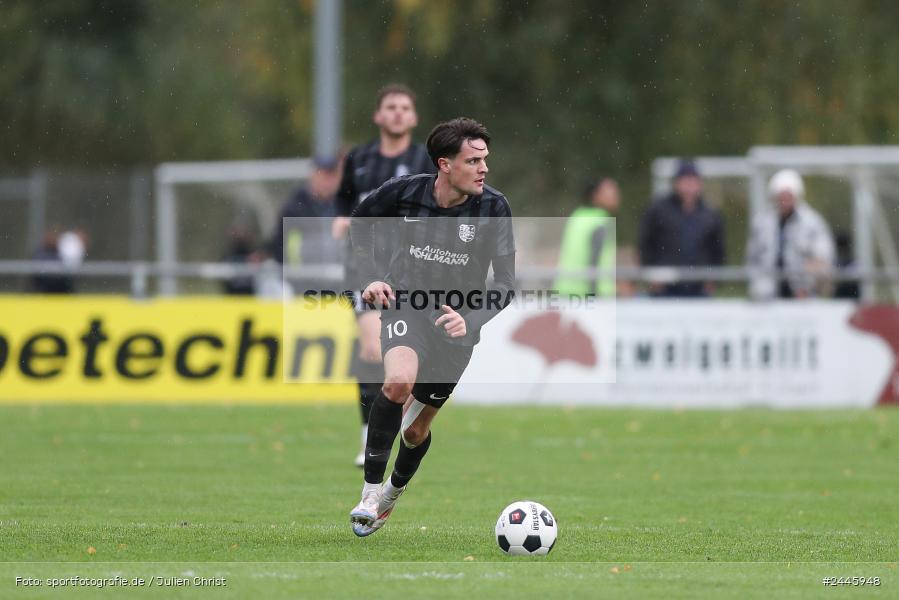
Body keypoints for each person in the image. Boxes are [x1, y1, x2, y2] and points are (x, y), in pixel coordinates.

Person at [347, 117, 515, 537]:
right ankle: (369, 494)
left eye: (485, 160)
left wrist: (469, 319)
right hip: (406, 306)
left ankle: (391, 494)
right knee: (397, 383)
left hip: (455, 330)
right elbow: (360, 224)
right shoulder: (404, 193)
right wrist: (370, 278)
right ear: (445, 164)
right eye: (473, 161)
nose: (483, 168)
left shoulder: (494, 208)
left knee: (416, 430)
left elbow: (506, 284)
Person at [332, 84, 437, 467]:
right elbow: (344, 201)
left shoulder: (425, 161)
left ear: (414, 117)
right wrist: (342, 220)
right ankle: (369, 437)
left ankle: (396, 422)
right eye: (390, 107)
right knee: (372, 349)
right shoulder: (359, 159)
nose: (397, 113)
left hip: (412, 269)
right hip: (364, 266)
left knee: (407, 363)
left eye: (404, 107)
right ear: (378, 115)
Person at [638, 160, 725, 297]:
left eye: (692, 180)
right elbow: (645, 244)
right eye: (685, 180)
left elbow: (718, 251)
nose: (689, 185)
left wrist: (713, 280)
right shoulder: (659, 210)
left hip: (699, 289)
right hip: (665, 288)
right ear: (676, 183)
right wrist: (651, 275)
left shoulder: (710, 214)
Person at [746, 169, 835, 299]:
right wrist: (757, 287)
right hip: (767, 296)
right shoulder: (762, 223)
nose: (785, 201)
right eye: (781, 196)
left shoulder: (812, 223)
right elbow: (752, 259)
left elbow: (823, 258)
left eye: (789, 196)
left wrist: (807, 285)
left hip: (803, 295)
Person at [268, 154, 343, 294]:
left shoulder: (345, 204)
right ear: (312, 176)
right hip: (304, 284)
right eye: (322, 175)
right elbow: (279, 243)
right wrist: (293, 276)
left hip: (340, 285)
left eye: (331, 176)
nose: (327, 182)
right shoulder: (295, 207)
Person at [555, 177, 619, 297]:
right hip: (590, 294)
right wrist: (594, 294)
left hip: (566, 291)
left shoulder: (576, 216)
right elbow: (594, 261)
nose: (616, 195)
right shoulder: (600, 221)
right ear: (595, 195)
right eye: (610, 191)